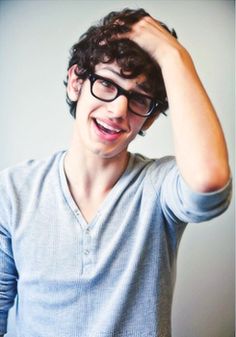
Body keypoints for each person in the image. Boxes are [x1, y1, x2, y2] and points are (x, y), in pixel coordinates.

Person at [0, 8, 232, 337]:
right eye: (107, 84)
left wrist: (172, 54)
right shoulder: (12, 190)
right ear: (76, 82)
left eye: (138, 98)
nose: (119, 109)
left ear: (149, 119)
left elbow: (210, 183)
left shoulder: (159, 187)